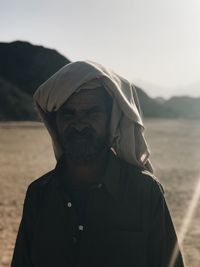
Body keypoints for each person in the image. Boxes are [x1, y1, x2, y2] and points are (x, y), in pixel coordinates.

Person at [11, 61, 185, 267]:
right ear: (55, 122)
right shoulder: (39, 195)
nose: (79, 124)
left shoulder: (144, 192)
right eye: (68, 113)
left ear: (111, 120)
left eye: (91, 113)